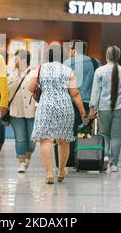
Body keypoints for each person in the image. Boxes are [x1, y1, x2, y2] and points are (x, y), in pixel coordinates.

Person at [28, 43, 87, 184]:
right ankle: (61, 172)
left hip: (46, 105)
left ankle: (49, 174)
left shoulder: (40, 68)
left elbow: (30, 87)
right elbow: (75, 94)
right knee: (63, 140)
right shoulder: (67, 70)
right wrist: (83, 112)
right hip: (64, 106)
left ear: (47, 56)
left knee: (46, 140)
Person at [89, 46, 121, 172]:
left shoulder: (99, 71)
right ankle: (114, 164)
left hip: (103, 108)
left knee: (104, 134)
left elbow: (96, 91)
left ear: (106, 56)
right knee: (116, 137)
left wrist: (92, 107)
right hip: (120, 108)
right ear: (118, 57)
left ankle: (106, 156)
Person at [7, 49, 36, 173]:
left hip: (31, 110)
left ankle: (27, 159)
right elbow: (5, 91)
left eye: (17, 58)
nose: (15, 60)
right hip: (15, 110)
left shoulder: (34, 73)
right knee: (20, 138)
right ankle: (22, 162)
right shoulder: (10, 74)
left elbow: (39, 90)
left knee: (31, 139)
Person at [64, 40, 100, 134]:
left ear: (74, 50)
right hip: (90, 105)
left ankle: (72, 149)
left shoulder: (68, 63)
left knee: (71, 133)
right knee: (86, 134)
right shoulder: (95, 62)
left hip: (72, 103)